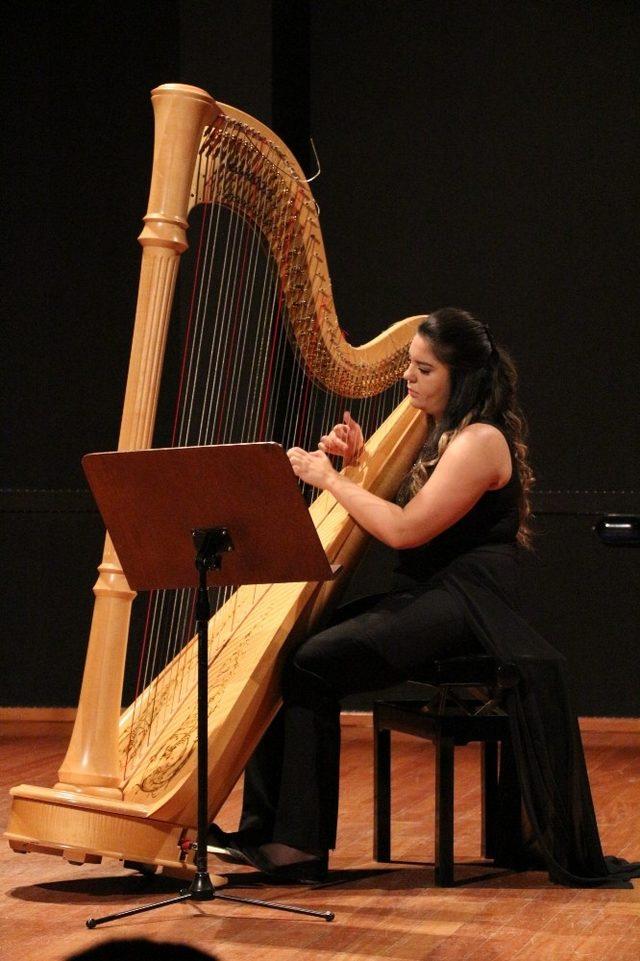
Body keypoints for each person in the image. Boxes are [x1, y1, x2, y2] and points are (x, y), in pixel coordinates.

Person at [208, 307, 639, 887]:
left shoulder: (480, 442)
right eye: (408, 365)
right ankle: (266, 831)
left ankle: (297, 847)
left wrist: (330, 479)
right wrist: (359, 462)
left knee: (313, 664)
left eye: (423, 369)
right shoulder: (437, 430)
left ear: (460, 378)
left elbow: (405, 530)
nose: (407, 378)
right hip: (432, 594)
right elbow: (403, 506)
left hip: (469, 605)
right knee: (289, 649)